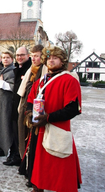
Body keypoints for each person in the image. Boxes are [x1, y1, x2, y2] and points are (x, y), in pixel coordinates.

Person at [25, 45, 82, 192]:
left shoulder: (69, 80)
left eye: (55, 58)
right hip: (40, 128)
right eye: (49, 58)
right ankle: (38, 186)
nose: (51, 61)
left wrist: (49, 118)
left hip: (57, 127)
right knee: (39, 162)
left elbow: (73, 108)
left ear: (62, 61)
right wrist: (29, 114)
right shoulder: (41, 81)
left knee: (59, 164)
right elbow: (30, 100)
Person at [17, 45, 48, 187]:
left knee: (33, 141)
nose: (35, 58)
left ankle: (33, 172)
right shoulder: (32, 69)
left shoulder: (45, 71)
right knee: (24, 136)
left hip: (38, 109)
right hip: (26, 106)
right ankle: (26, 166)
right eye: (33, 55)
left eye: (37, 56)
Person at [3, 46, 32, 166]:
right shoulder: (18, 68)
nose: (19, 57)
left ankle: (19, 157)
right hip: (15, 104)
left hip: (24, 106)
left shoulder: (29, 69)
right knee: (14, 132)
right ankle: (14, 154)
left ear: (28, 56)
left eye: (22, 55)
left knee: (20, 133)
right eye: (18, 55)